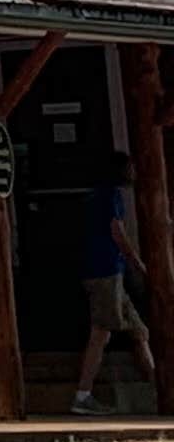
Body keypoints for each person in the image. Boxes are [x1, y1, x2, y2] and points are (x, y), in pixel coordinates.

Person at [72, 176, 157, 415]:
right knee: (101, 332)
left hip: (109, 272)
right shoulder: (110, 195)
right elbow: (117, 232)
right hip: (106, 271)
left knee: (139, 331)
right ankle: (83, 394)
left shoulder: (92, 197)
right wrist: (139, 265)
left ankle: (157, 386)